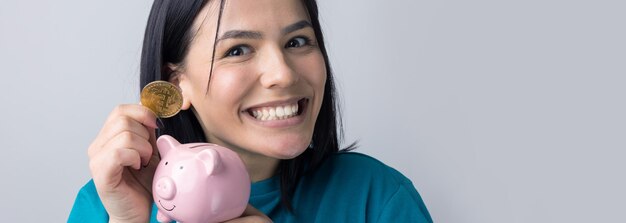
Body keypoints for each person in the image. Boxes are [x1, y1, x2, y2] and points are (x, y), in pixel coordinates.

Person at [68, 0, 433, 222]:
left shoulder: (377, 199)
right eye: (238, 50)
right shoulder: (110, 203)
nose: (283, 73)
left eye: (297, 41)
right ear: (177, 84)